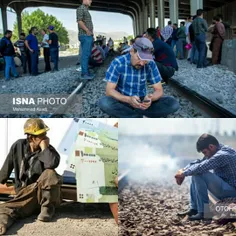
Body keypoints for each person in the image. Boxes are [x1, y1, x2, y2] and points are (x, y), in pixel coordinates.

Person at [0, 119, 62, 235]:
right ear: (30, 137)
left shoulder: (49, 150)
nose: (44, 137)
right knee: (6, 209)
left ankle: (47, 209)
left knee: (50, 173)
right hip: (25, 194)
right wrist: (1, 179)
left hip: (41, 194)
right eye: (41, 135)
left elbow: (51, 164)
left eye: (45, 134)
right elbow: (7, 166)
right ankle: (1, 225)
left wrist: (44, 148)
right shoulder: (18, 145)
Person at [98, 37, 180, 118]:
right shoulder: (118, 63)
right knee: (104, 102)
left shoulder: (151, 64)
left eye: (145, 60)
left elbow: (159, 90)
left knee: (173, 103)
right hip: (122, 100)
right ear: (131, 51)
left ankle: (131, 115)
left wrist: (150, 99)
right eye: (139, 58)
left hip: (142, 101)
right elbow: (109, 91)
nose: (141, 63)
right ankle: (140, 117)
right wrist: (128, 99)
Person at [175, 134, 236, 221]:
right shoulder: (216, 150)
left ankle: (204, 213)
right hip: (225, 187)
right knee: (195, 172)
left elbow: (202, 166)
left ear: (211, 147)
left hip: (232, 191)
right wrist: (183, 170)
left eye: (204, 152)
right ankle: (194, 209)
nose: (205, 155)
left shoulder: (223, 155)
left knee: (199, 173)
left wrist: (183, 173)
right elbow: (199, 162)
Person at [77, 0, 94, 80]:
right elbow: (79, 21)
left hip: (88, 35)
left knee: (87, 54)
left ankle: (86, 71)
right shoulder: (81, 8)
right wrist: (87, 31)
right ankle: (84, 73)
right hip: (85, 35)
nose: (91, 1)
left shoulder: (85, 9)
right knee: (85, 55)